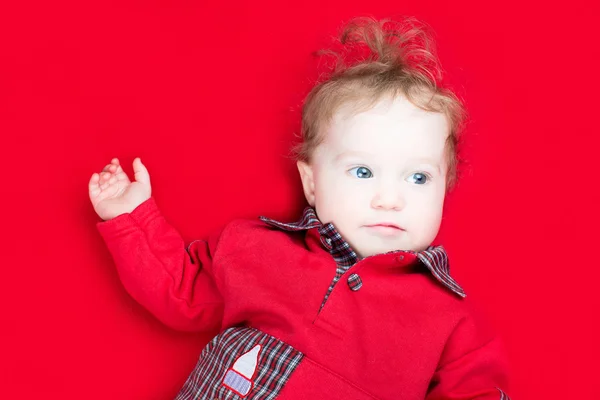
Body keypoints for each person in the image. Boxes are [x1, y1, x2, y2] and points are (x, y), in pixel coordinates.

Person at [88, 16, 510, 400]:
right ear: (311, 182)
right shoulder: (256, 249)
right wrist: (131, 215)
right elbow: (181, 289)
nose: (390, 198)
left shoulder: (450, 323)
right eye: (362, 172)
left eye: (418, 178)